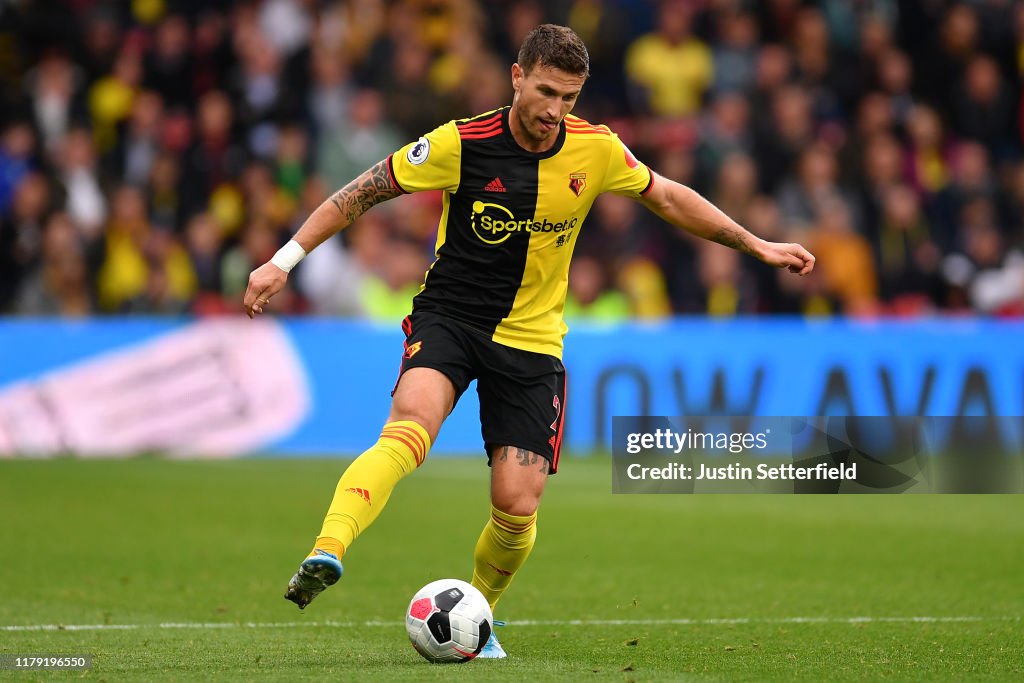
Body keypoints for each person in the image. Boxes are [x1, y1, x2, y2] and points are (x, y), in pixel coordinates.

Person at [243, 24, 815, 659]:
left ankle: (480, 615)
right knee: (410, 425)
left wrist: (755, 243)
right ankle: (328, 549)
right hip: (451, 318)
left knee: (517, 505)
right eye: (545, 91)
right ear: (517, 77)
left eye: (568, 98)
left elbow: (670, 198)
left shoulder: (596, 150)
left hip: (533, 341)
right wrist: (283, 260)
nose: (554, 110)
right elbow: (358, 195)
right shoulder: (461, 142)